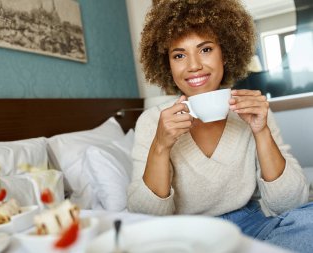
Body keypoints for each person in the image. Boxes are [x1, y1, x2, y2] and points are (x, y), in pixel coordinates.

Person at [127, 0, 313, 252]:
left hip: (252, 224)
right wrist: (160, 146)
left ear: (224, 53)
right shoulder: (152, 121)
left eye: (205, 49)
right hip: (186, 237)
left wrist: (262, 132)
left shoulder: (252, 110)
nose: (193, 65)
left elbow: (290, 203)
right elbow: (146, 219)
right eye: (179, 55)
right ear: (167, 66)